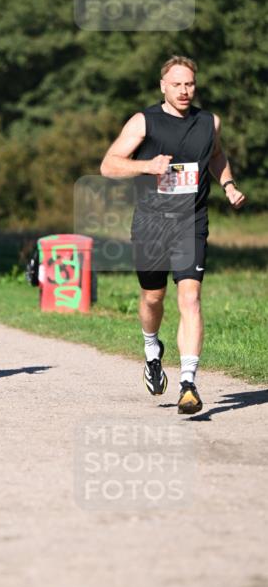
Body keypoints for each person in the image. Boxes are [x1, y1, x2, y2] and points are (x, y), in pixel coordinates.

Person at [100, 55, 245, 415]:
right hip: (151, 222)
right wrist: (148, 165)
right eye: (177, 84)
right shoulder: (143, 121)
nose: (184, 90)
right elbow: (109, 164)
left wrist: (226, 183)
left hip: (190, 221)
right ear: (163, 86)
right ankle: (152, 349)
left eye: (189, 84)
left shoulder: (208, 121)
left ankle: (188, 384)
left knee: (190, 299)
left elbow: (216, 155)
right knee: (152, 298)